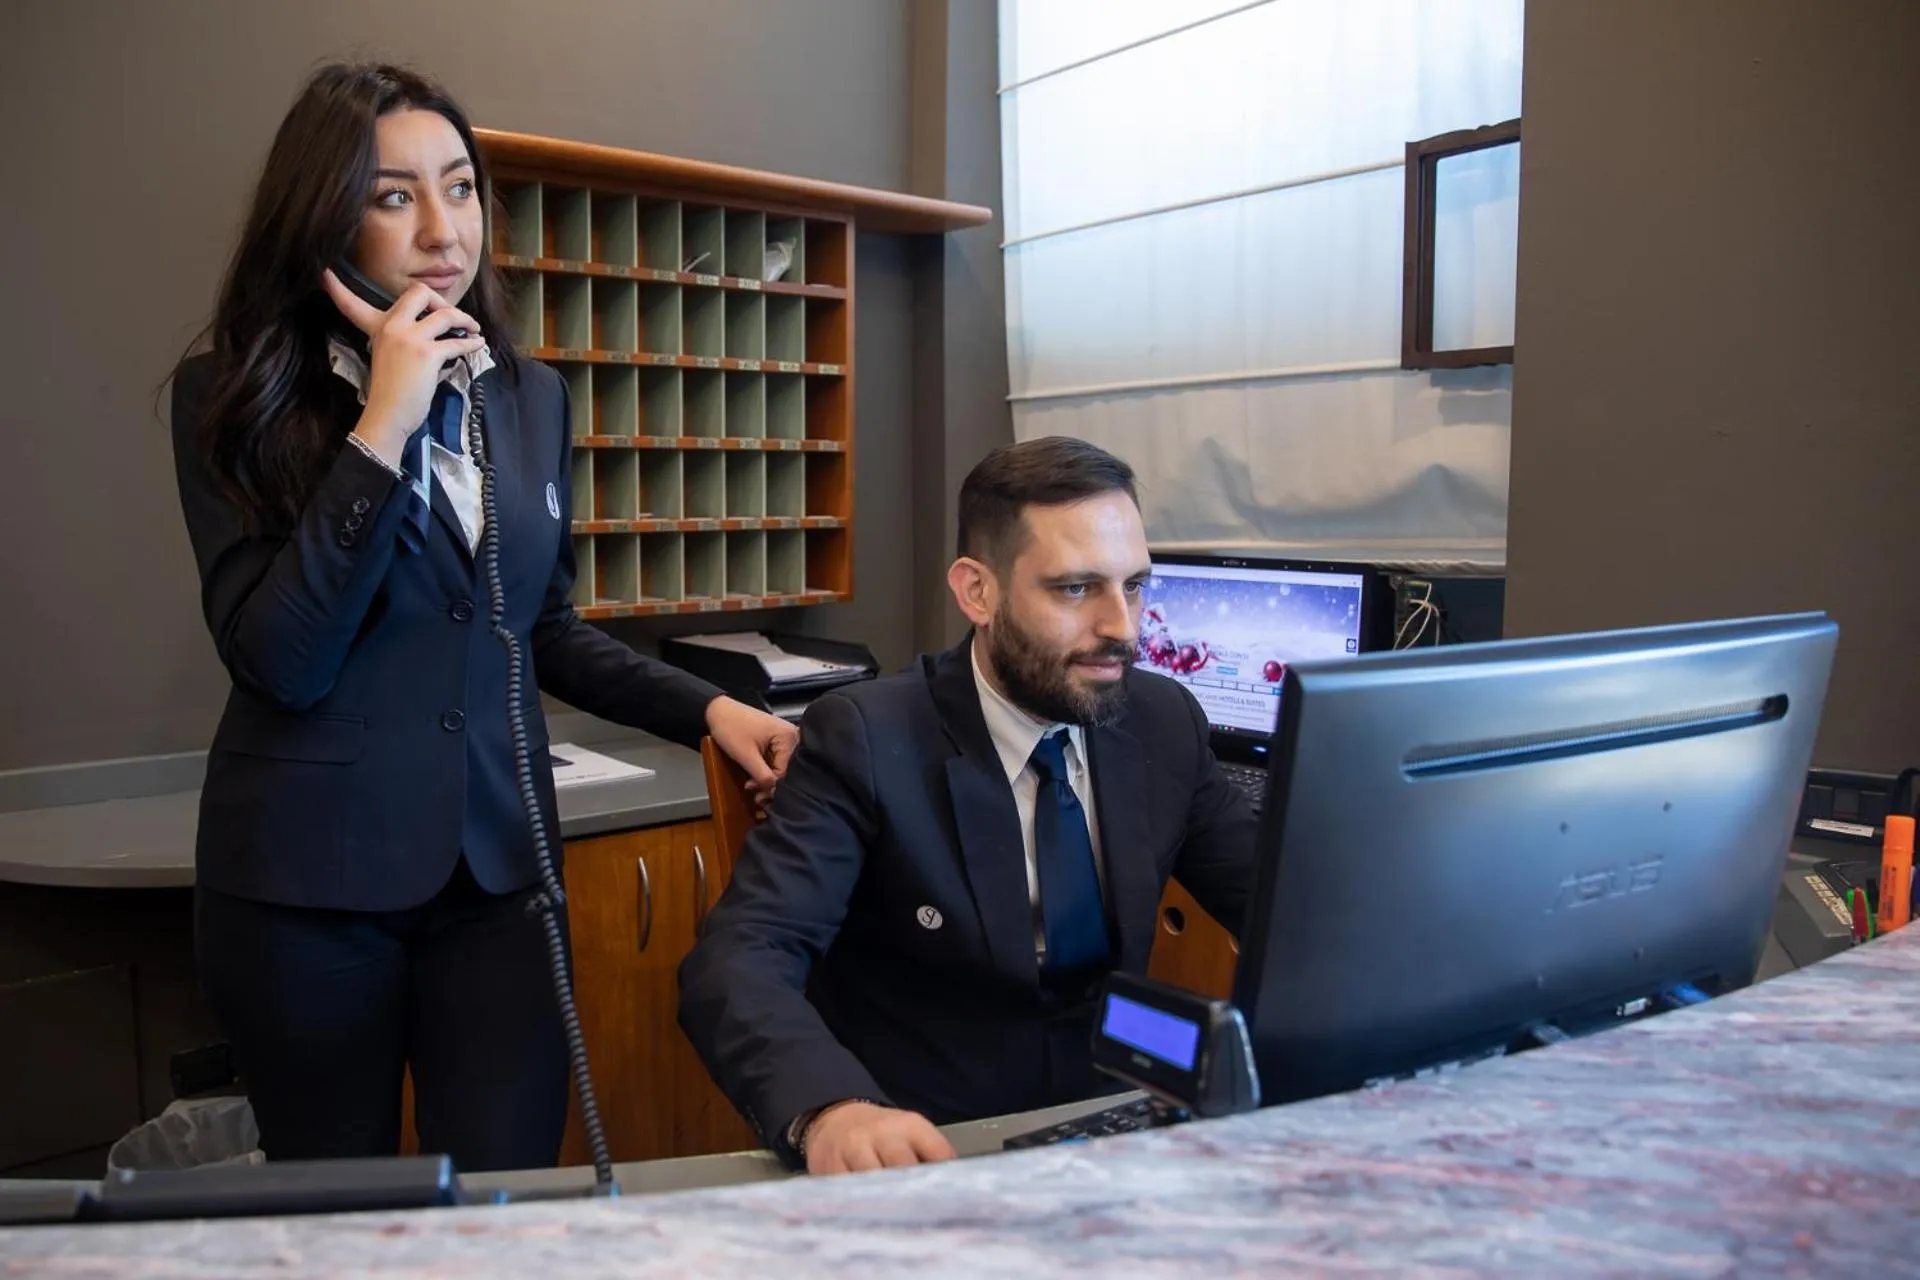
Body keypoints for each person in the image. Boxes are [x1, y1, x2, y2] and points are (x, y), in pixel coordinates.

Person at [167, 61, 797, 1172]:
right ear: (321, 214)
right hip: (309, 891)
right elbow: (282, 657)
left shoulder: (527, 392)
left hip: (499, 879)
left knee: (508, 1193)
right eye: (392, 194)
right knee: (340, 1214)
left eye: (460, 187)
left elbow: (541, 625)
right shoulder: (233, 389)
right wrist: (385, 422)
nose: (441, 227)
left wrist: (708, 710)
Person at [678, 436, 1258, 1175]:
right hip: (928, 1138)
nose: (1124, 626)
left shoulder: (1160, 718)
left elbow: (1283, 902)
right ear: (977, 592)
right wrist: (830, 1109)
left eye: (1135, 585)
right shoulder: (866, 735)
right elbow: (739, 959)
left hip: (1120, 1118)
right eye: (1076, 589)